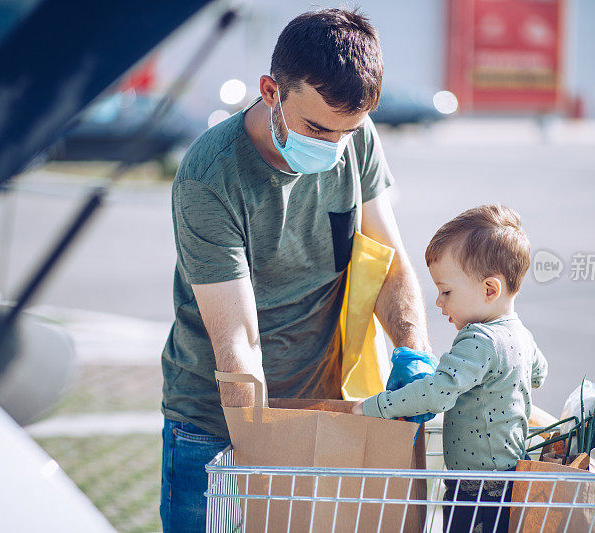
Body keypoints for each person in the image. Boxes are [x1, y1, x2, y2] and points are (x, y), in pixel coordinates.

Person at [159, 9, 432, 532]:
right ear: (270, 90)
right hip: (215, 423)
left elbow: (389, 263)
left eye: (344, 133)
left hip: (323, 408)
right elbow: (238, 341)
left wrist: (413, 354)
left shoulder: (358, 137)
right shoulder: (209, 178)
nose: (331, 148)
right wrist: (263, 445)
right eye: (314, 129)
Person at [353, 204, 549, 533]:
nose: (439, 302)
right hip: (508, 480)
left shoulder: (479, 340)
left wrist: (375, 407)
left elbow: (437, 393)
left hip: (475, 490)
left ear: (490, 289)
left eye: (446, 291)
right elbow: (539, 373)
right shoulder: (521, 334)